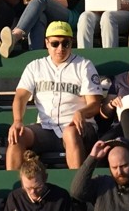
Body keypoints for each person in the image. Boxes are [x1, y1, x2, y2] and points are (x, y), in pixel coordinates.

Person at [6, 21, 103, 169]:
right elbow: (20, 97)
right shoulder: (35, 66)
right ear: (46, 43)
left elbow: (95, 104)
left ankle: (78, 187)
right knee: (17, 136)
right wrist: (17, 121)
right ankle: (14, 190)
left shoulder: (84, 66)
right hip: (46, 128)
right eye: (55, 43)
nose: (60, 48)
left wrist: (81, 112)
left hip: (79, 127)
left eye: (65, 43)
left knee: (70, 133)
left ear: (72, 43)